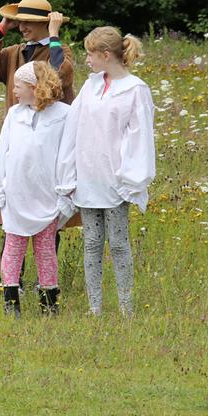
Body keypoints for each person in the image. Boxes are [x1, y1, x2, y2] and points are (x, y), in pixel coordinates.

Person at [0, 0, 78, 287]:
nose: (22, 27)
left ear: (44, 24)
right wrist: (2, 27)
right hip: (19, 137)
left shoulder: (60, 51)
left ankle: (46, 283)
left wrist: (54, 36)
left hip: (49, 144)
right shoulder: (14, 52)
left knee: (47, 221)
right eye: (20, 22)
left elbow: (62, 76)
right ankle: (12, 280)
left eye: (28, 23)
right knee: (14, 220)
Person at [57, 26, 155, 316]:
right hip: (88, 176)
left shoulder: (135, 90)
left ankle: (126, 307)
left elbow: (140, 137)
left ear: (105, 54)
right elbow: (73, 129)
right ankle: (95, 307)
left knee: (120, 243)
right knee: (92, 243)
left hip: (115, 180)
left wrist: (131, 180)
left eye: (89, 54)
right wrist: (68, 174)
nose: (86, 60)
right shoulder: (92, 86)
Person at [0, 61, 73, 316]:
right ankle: (11, 301)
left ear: (35, 88)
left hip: (46, 193)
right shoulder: (15, 115)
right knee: (13, 247)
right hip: (16, 193)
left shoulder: (64, 115)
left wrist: (66, 191)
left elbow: (68, 155)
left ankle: (49, 304)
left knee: (46, 250)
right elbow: (3, 153)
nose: (13, 91)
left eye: (18, 87)